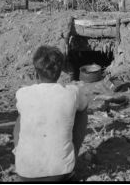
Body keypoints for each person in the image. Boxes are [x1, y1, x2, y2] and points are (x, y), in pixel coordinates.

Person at [13, 45, 88, 182]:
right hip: (61, 173)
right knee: (81, 110)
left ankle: (19, 152)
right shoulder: (73, 92)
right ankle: (72, 155)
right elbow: (84, 106)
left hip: (25, 174)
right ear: (60, 73)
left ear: (36, 73)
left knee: (21, 116)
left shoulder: (22, 93)